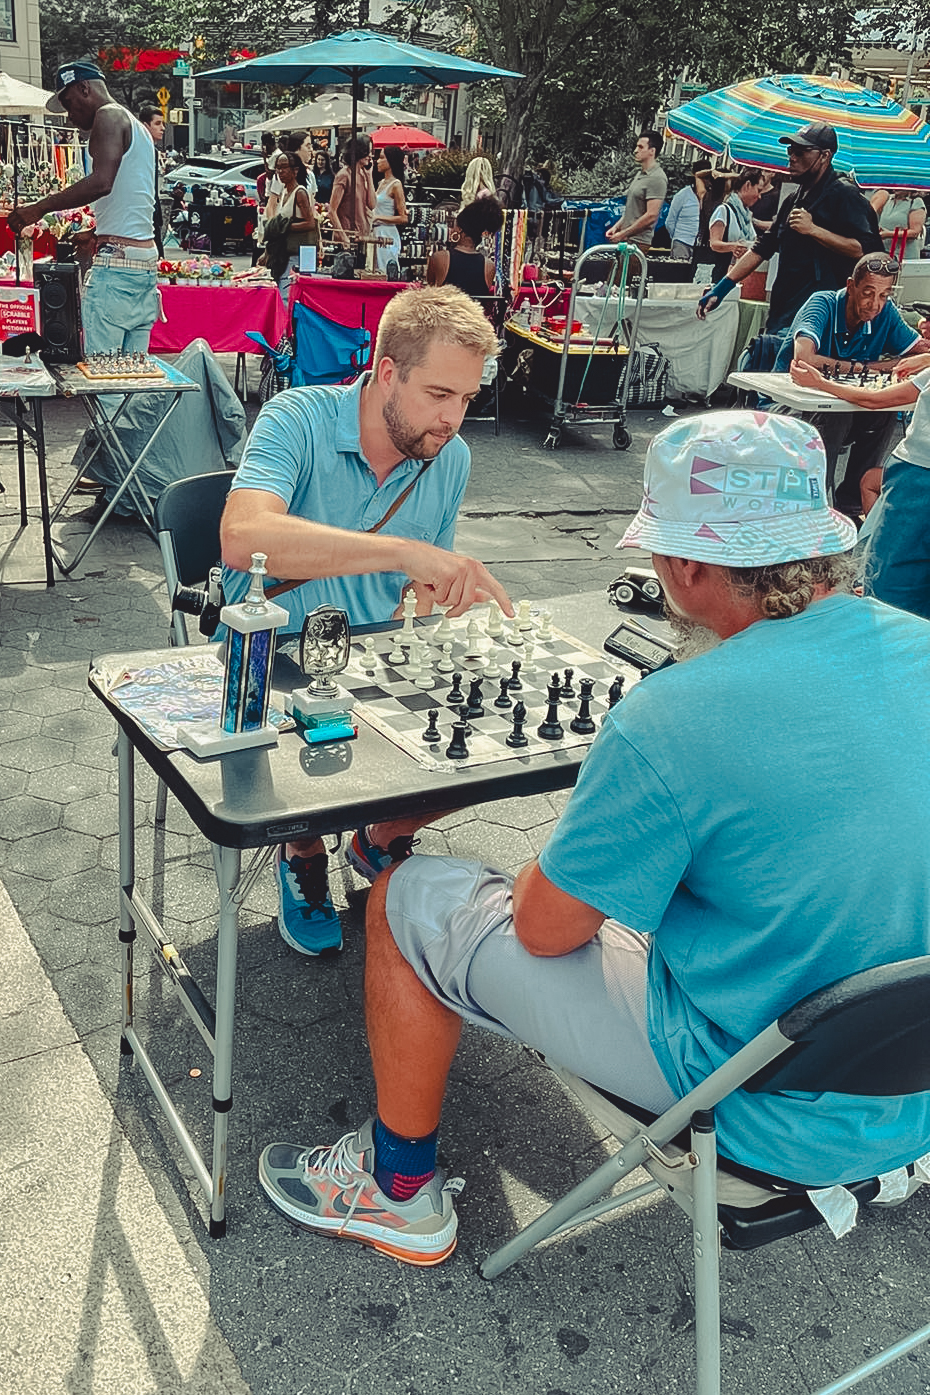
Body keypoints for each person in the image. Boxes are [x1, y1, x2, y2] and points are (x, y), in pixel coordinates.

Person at [256, 408, 930, 1266]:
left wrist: (587, 843)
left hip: (755, 1097)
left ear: (686, 563)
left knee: (408, 898)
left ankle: (396, 1194)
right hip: (912, 1094)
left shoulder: (674, 715)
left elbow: (544, 930)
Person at [220, 286, 512, 956]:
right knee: (298, 759)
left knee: (493, 739)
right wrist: (401, 549)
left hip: (373, 662)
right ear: (387, 372)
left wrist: (445, 606)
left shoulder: (450, 457)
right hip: (271, 658)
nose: (454, 419)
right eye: (439, 394)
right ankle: (302, 848)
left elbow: (418, 590)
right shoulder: (299, 417)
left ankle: (378, 835)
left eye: (467, 399)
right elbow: (242, 536)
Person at [9, 60, 159, 355]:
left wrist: (39, 208)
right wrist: (96, 231)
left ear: (84, 88)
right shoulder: (138, 128)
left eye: (68, 103)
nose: (68, 115)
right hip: (144, 261)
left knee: (102, 376)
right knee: (130, 376)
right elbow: (134, 199)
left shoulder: (108, 116)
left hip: (118, 268)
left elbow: (102, 182)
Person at [773, 251, 926, 517]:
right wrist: (874, 367)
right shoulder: (822, 303)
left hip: (840, 406)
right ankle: (817, 504)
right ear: (850, 286)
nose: (875, 304)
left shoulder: (884, 313)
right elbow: (804, 358)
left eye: (884, 295)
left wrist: (922, 357)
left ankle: (852, 503)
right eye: (868, 292)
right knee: (838, 416)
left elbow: (919, 350)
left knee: (883, 413)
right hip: (787, 406)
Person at [697, 122, 883, 334]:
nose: (792, 157)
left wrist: (814, 230)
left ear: (825, 156)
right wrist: (722, 287)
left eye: (801, 152)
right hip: (784, 312)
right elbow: (762, 247)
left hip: (823, 319)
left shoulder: (845, 195)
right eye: (790, 151)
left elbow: (866, 252)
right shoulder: (794, 199)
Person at [790, 350, 930, 618]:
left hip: (917, 479)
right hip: (913, 477)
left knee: (892, 587)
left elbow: (874, 400)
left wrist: (821, 383)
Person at [263, 151, 318, 304]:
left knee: (286, 294)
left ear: (295, 170)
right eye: (278, 168)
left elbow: (310, 223)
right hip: (285, 252)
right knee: (283, 291)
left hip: (297, 253)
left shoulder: (300, 192)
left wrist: (285, 227)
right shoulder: (285, 191)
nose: (280, 172)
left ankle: (287, 327)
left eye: (284, 167)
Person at [605, 131, 668, 254]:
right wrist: (617, 227)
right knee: (615, 273)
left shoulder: (657, 178)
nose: (635, 150)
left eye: (640, 147)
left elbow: (651, 215)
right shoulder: (640, 174)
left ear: (652, 151)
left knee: (626, 273)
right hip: (626, 241)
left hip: (638, 243)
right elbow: (633, 209)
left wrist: (624, 233)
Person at [426, 197, 504, 295]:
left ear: (459, 229)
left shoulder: (440, 258)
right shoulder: (489, 266)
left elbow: (430, 291)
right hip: (474, 310)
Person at [706, 167, 764, 280]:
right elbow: (714, 243)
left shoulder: (747, 216)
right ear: (747, 185)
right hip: (720, 275)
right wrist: (733, 246)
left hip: (739, 276)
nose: (760, 196)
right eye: (759, 190)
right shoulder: (723, 210)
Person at [329, 135, 376, 250]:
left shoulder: (363, 173)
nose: (370, 156)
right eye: (368, 151)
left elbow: (372, 204)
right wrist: (343, 237)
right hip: (347, 239)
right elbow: (332, 210)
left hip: (362, 238)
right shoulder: (344, 175)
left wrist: (369, 177)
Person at [372, 145, 407, 278]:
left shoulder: (396, 185)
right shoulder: (381, 183)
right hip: (376, 232)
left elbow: (403, 218)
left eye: (381, 158)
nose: (378, 161)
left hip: (387, 232)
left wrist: (378, 217)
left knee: (385, 270)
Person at [137, 102, 165, 257]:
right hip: (146, 211)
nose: (162, 128)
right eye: (157, 124)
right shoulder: (144, 150)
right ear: (145, 125)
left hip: (152, 210)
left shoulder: (151, 150)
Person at [871, 188, 927, 261]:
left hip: (904, 256)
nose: (896, 187)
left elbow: (915, 232)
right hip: (884, 253)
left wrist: (888, 234)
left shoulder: (916, 202)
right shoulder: (888, 199)